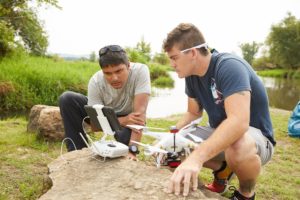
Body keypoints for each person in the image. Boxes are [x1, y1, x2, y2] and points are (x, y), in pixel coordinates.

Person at [162, 23, 276, 200]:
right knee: (173, 147)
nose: (171, 64)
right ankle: (222, 171)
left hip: (255, 139)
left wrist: (196, 158)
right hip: (222, 132)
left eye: (174, 58)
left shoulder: (229, 66)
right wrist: (168, 139)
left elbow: (238, 122)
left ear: (192, 53)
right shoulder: (191, 75)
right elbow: (193, 114)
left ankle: (245, 194)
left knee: (237, 143)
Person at [59, 44, 151, 159]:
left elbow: (139, 118)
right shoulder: (95, 81)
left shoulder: (141, 71)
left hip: (130, 117)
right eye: (108, 73)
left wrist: (132, 151)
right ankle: (76, 153)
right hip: (105, 114)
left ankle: (126, 151)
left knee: (123, 144)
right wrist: (121, 121)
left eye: (119, 71)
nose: (114, 78)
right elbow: (95, 126)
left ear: (128, 65)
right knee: (67, 99)